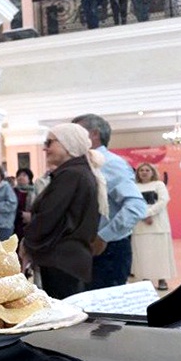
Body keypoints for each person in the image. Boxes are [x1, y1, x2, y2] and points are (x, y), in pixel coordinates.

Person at [21, 124, 106, 299]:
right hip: (69, 260)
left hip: (62, 261)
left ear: (69, 144)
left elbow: (47, 218)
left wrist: (26, 244)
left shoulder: (72, 175)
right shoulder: (78, 172)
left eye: (50, 142)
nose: (45, 148)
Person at [73, 113, 147, 290]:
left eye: (77, 132)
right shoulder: (81, 164)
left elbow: (136, 207)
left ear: (95, 134)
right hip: (86, 250)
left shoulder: (110, 163)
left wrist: (104, 236)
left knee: (104, 314)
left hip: (107, 251)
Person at [130, 162, 177, 292]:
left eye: (147, 170)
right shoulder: (134, 186)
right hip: (140, 226)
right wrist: (143, 215)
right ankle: (145, 279)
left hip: (158, 225)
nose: (144, 172)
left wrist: (148, 213)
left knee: (160, 253)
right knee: (142, 253)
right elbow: (132, 203)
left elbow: (163, 201)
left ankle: (162, 279)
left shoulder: (159, 185)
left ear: (152, 172)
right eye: (141, 170)